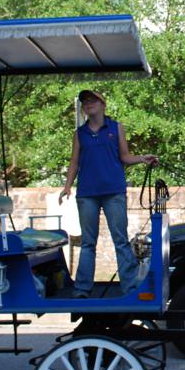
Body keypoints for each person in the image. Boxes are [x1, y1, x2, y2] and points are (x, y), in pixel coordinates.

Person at [59, 90, 157, 298]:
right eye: (85, 102)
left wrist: (142, 158)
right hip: (87, 193)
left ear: (103, 104)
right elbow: (74, 162)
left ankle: (129, 288)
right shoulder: (79, 133)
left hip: (113, 192)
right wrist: (67, 186)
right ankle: (82, 290)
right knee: (88, 243)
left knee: (120, 240)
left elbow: (125, 156)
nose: (88, 104)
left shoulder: (116, 127)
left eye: (92, 100)